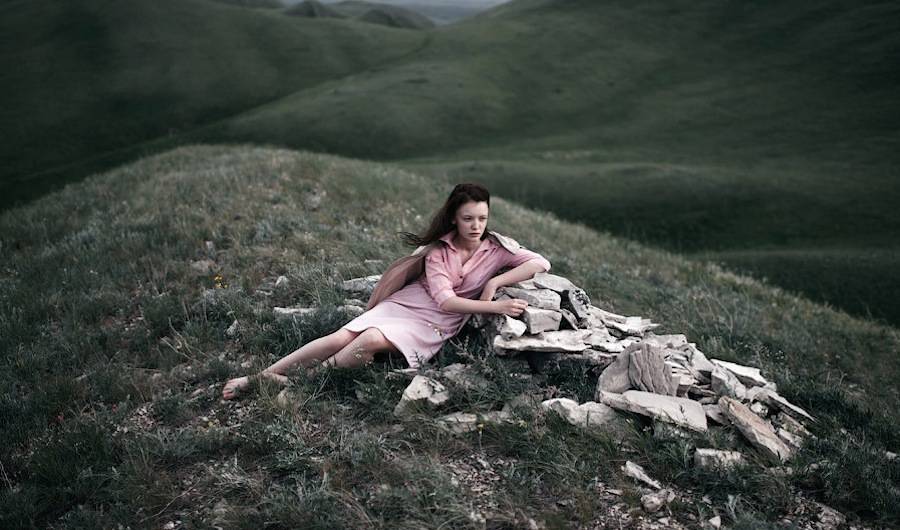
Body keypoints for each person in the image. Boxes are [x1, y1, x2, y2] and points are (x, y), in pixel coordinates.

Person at [222, 183, 551, 399]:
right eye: (468, 219)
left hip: (432, 324)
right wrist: (494, 307)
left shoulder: (496, 249)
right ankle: (260, 376)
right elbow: (446, 300)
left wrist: (494, 283)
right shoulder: (439, 251)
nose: (476, 226)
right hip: (408, 305)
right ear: (454, 218)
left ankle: (301, 384)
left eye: (482, 218)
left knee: (368, 340)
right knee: (341, 336)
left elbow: (540, 263)